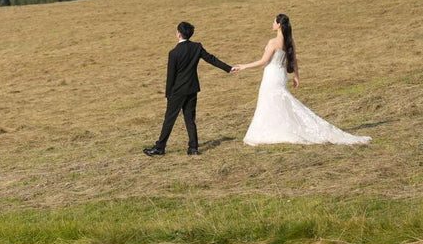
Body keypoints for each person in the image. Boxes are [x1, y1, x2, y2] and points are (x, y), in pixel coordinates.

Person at [231, 13, 370, 146]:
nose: (272, 24)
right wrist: (296, 76)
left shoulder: (273, 42)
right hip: (281, 76)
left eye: (274, 21)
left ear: (279, 25)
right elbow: (294, 61)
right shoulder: (289, 42)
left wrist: (244, 66)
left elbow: (263, 61)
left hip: (271, 75)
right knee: (278, 102)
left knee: (268, 102)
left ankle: (266, 132)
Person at [143, 21, 232, 156]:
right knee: (190, 119)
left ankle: (160, 147)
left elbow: (170, 76)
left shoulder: (174, 53)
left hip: (177, 91)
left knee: (169, 119)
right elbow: (211, 59)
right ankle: (193, 148)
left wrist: (168, 95)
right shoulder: (197, 47)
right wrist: (228, 68)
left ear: (179, 34)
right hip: (192, 88)